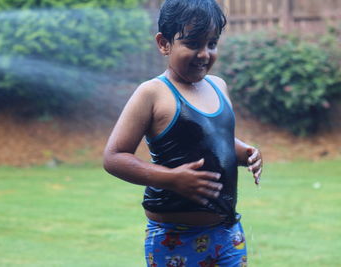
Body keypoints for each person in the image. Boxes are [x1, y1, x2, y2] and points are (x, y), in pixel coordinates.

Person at [103, 0, 263, 266]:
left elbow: (213, 138)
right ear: (164, 43)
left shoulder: (218, 86)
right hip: (174, 237)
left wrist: (245, 151)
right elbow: (114, 157)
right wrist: (171, 178)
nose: (204, 53)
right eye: (192, 44)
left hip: (227, 232)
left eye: (211, 43)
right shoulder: (152, 93)